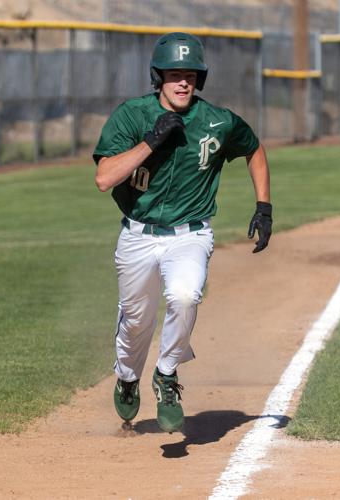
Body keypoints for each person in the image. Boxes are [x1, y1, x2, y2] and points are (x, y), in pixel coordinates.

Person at [93, 32, 271, 433]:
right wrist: (151, 141)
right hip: (138, 235)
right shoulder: (132, 116)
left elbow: (254, 148)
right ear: (158, 77)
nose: (183, 82)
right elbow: (104, 178)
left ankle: (167, 376)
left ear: (200, 79)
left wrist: (264, 205)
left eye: (190, 74)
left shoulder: (217, 121)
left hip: (191, 234)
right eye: (174, 74)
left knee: (186, 295)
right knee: (137, 321)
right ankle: (126, 375)